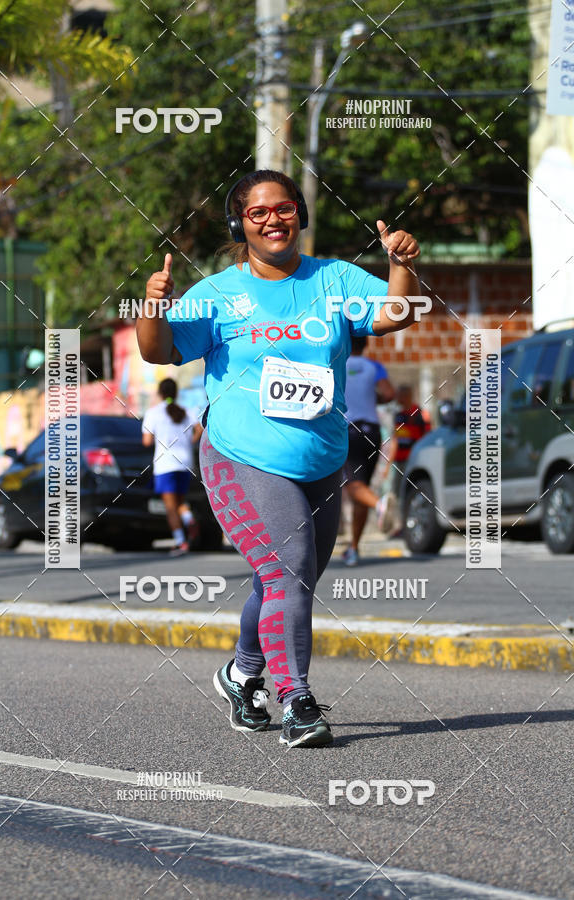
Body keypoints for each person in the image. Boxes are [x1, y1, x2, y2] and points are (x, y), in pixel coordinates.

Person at [137, 169, 421, 747]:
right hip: (241, 454)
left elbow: (397, 314)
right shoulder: (217, 294)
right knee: (287, 568)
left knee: (289, 579)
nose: (273, 220)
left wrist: (401, 265)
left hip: (321, 457)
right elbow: (157, 350)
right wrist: (153, 307)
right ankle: (297, 700)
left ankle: (242, 674)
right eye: (258, 212)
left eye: (284, 208)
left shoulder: (335, 279)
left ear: (300, 214)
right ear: (239, 225)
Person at [341, 336, 395, 567]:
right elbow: (389, 394)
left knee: (353, 486)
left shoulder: (337, 363)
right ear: (365, 345)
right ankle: (354, 548)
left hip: (348, 430)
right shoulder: (374, 366)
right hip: (372, 432)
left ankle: (379, 505)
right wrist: (372, 397)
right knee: (360, 488)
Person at [142, 378, 203, 555]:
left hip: (165, 464)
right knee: (179, 502)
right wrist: (191, 441)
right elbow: (200, 429)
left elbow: (146, 441)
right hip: (185, 463)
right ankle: (189, 519)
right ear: (176, 393)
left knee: (170, 507)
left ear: (160, 393)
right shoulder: (186, 411)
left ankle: (180, 542)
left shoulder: (153, 413)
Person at [384, 383, 431, 509]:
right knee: (396, 492)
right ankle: (398, 518)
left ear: (407, 396)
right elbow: (395, 440)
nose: (397, 398)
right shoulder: (398, 415)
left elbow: (427, 437)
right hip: (399, 462)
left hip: (414, 460)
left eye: (399, 395)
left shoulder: (420, 414)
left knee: (411, 490)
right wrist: (388, 465)